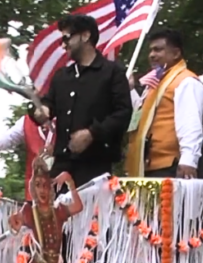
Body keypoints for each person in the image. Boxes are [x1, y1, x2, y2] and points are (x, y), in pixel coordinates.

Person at [31, 14, 133, 188]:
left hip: (96, 165)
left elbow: (123, 113)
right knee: (56, 213)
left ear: (85, 36)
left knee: (91, 214)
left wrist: (92, 133)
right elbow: (48, 103)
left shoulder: (112, 72)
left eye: (66, 38)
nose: (63, 45)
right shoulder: (62, 76)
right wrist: (42, 111)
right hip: (61, 167)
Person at [124, 29, 203, 178]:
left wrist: (189, 160)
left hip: (170, 166)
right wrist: (130, 90)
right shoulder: (155, 83)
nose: (151, 55)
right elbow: (140, 116)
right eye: (150, 50)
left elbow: (190, 123)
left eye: (158, 50)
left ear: (176, 53)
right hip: (146, 166)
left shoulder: (186, 81)